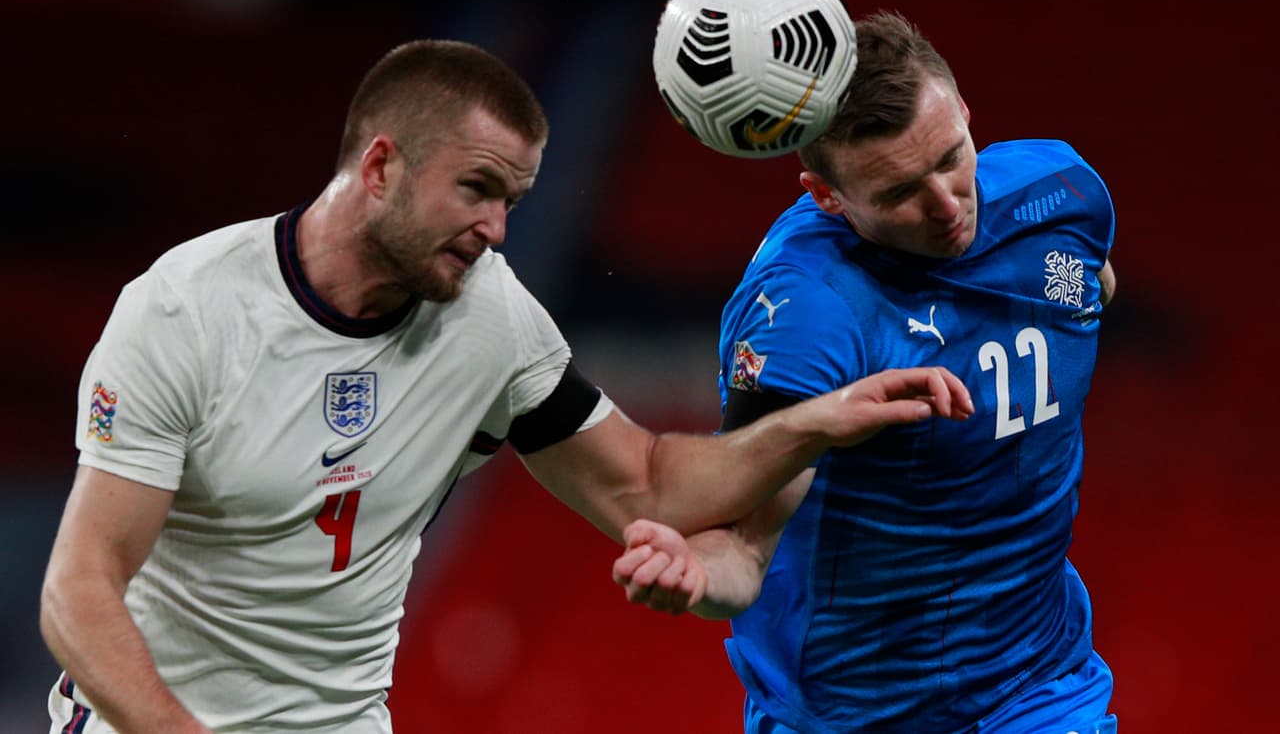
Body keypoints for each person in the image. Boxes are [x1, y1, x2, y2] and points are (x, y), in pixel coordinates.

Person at [39, 38, 974, 734]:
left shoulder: (488, 318)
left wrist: (810, 423)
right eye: (476, 189)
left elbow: (646, 485)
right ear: (380, 165)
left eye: (513, 201)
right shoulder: (186, 311)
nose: (496, 228)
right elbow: (80, 587)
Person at [613, 10, 1119, 733]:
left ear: (965, 112)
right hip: (847, 711)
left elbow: (1090, 281)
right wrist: (698, 576)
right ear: (826, 195)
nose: (947, 205)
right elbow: (745, 549)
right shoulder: (807, 311)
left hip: (1038, 685)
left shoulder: (1059, 197)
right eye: (898, 193)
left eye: (951, 155)